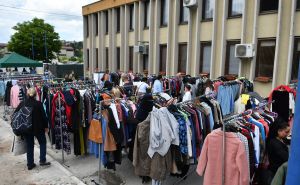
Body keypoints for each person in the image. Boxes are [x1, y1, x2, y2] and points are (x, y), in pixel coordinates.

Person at [14, 88, 51, 170]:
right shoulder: (39, 104)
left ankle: (30, 164)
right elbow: (44, 117)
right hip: (39, 128)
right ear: (35, 95)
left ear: (27, 94)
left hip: (27, 129)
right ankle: (42, 160)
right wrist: (46, 126)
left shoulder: (23, 103)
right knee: (42, 143)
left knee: (30, 146)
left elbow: (15, 114)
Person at [266, 118, 290, 182]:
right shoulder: (274, 144)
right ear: (279, 131)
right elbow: (286, 157)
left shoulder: (280, 139)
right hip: (275, 174)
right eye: (286, 132)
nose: (288, 134)